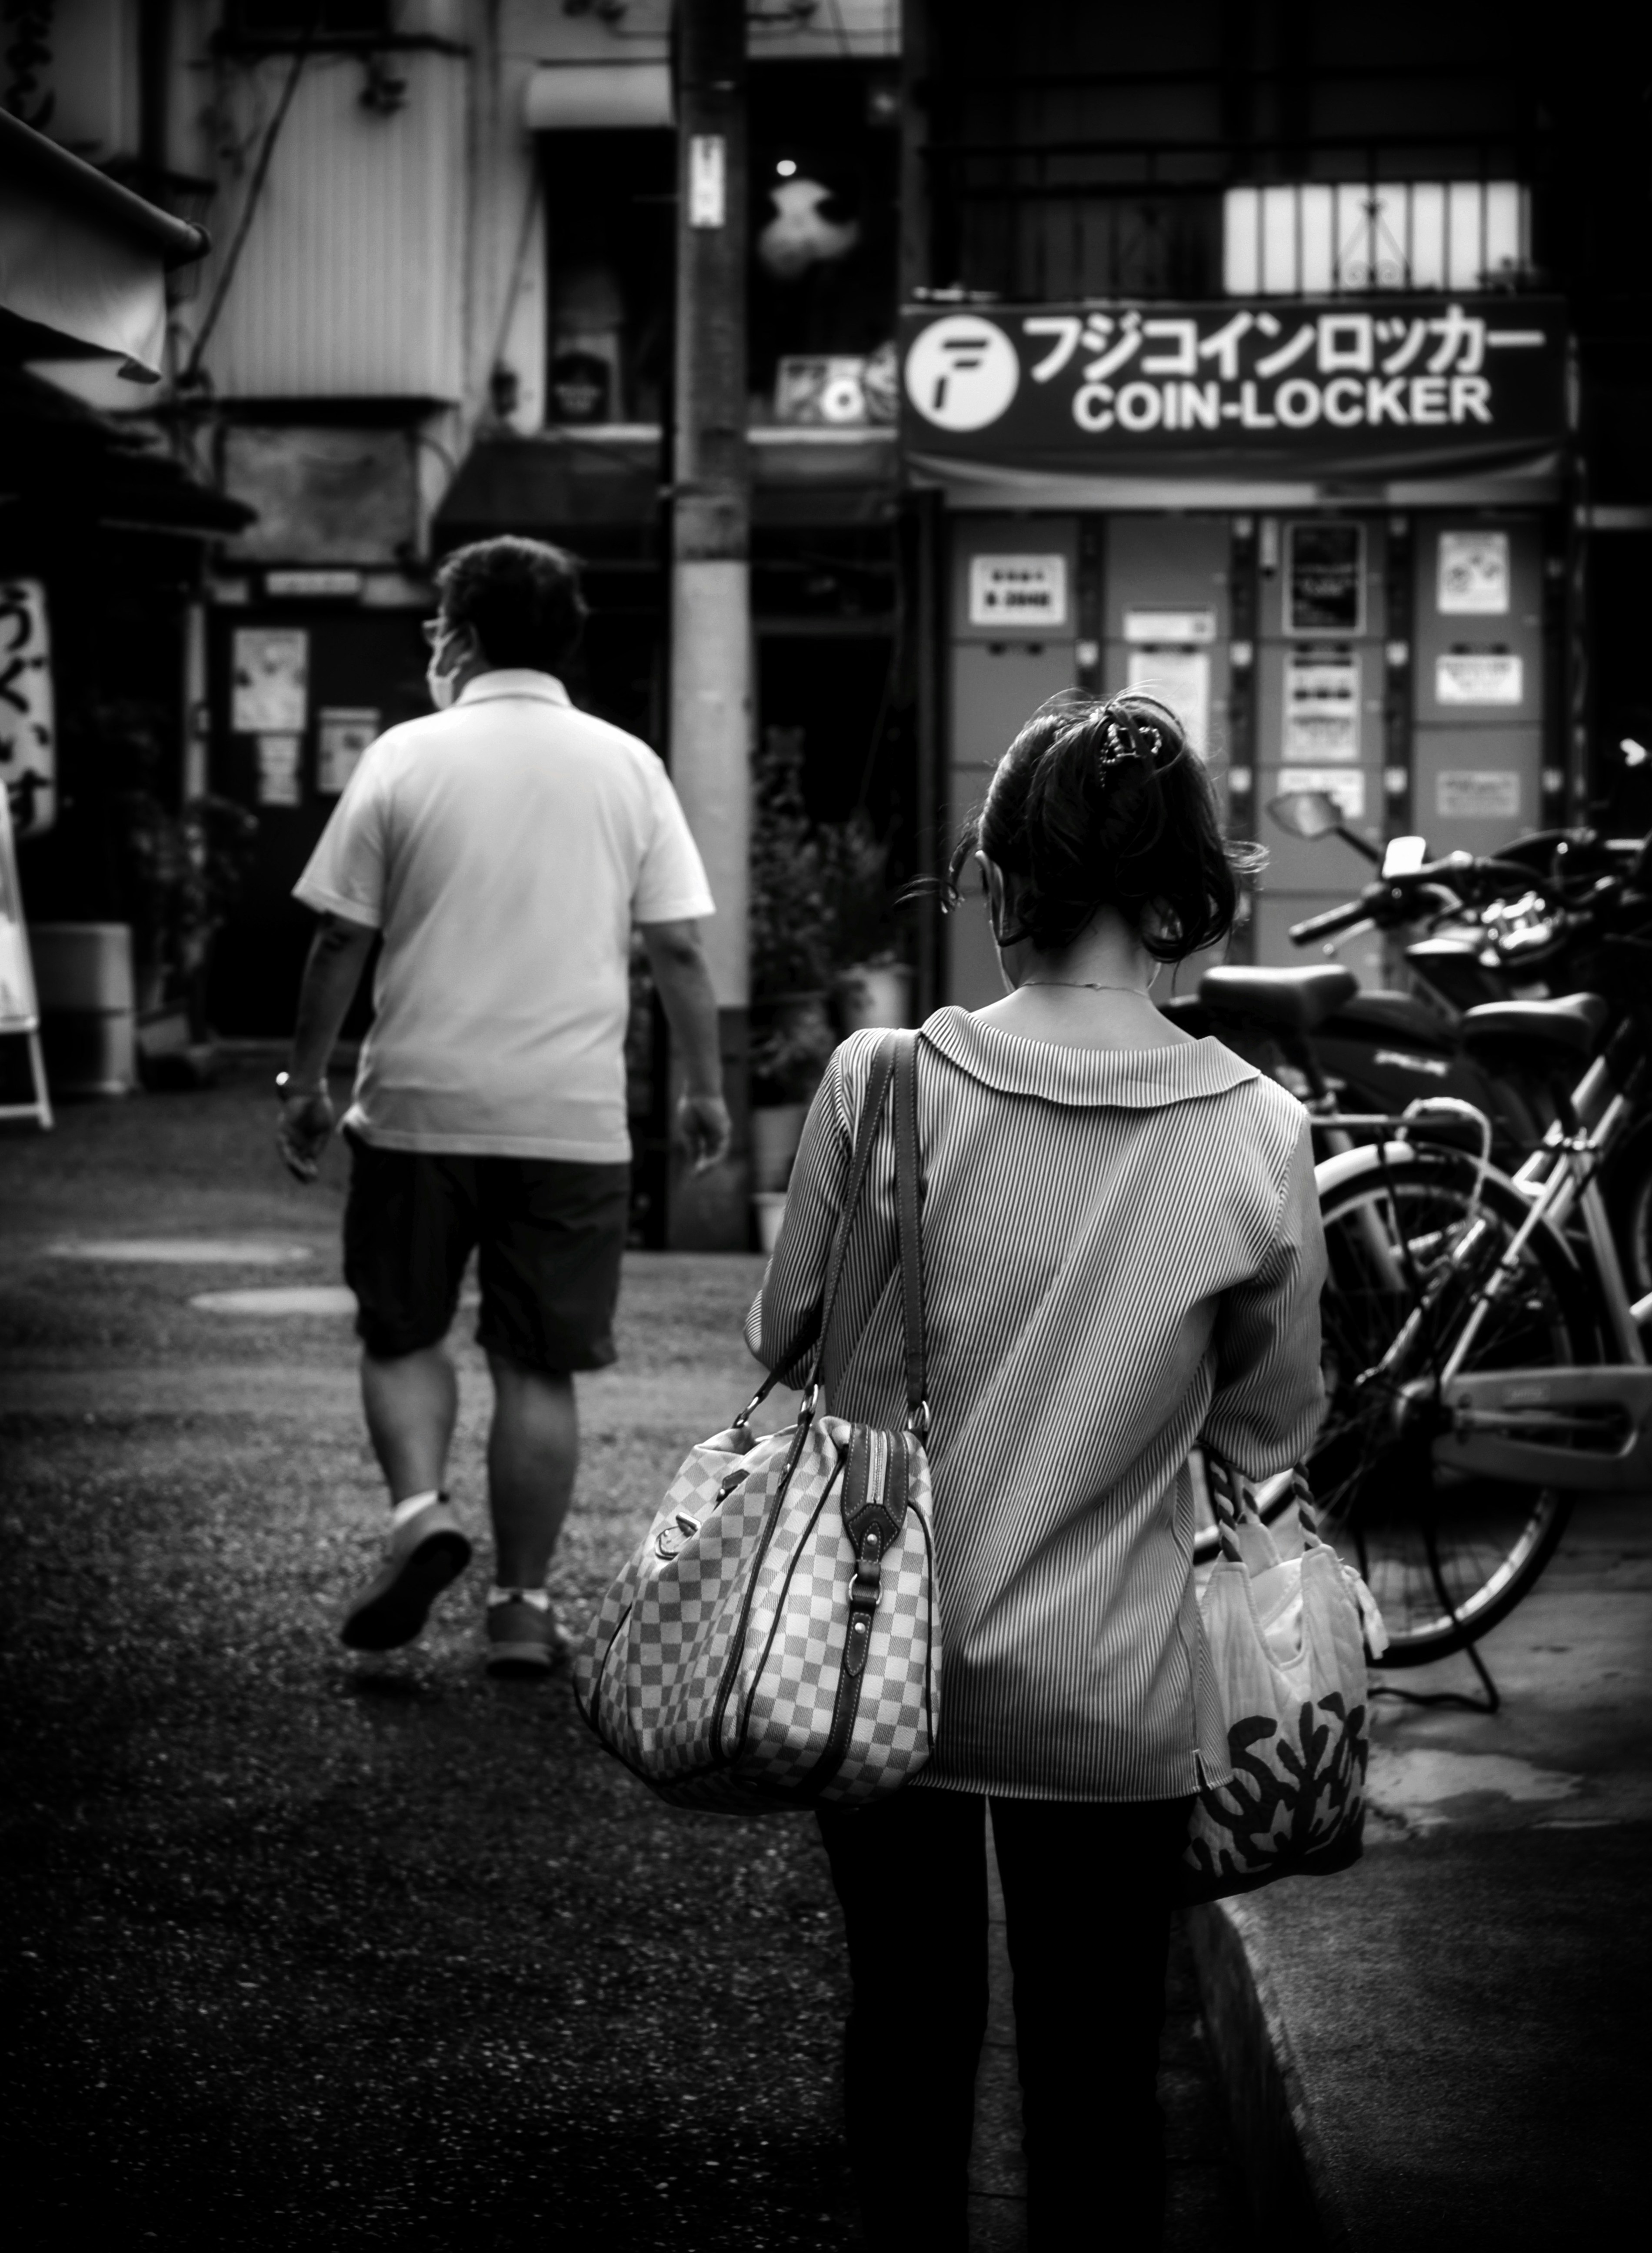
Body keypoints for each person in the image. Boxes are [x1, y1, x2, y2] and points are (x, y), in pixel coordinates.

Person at [749, 692, 1326, 2249]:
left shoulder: (881, 1083)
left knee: (908, 2033)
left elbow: (779, 1328)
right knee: (1096, 2079)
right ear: (1181, 891)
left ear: (1000, 883)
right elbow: (1273, 1429)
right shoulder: (1263, 1134)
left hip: (881, 1664)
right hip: (1115, 1691)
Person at [277, 536, 730, 1676]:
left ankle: (420, 1513)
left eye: (437, 627)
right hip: (569, 1118)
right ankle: (523, 1609)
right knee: (539, 1365)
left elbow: (341, 933)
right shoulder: (628, 765)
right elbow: (675, 946)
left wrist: (308, 1082)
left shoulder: (405, 757)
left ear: (463, 637)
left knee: (403, 1328)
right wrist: (704, 1090)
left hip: (419, 1104)